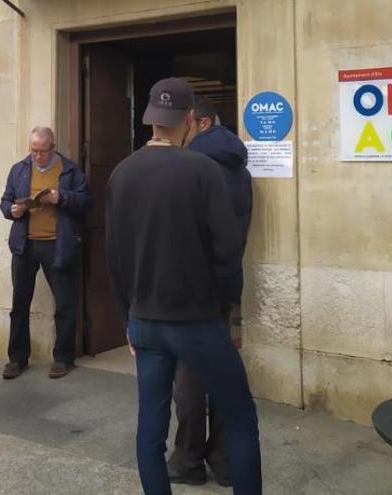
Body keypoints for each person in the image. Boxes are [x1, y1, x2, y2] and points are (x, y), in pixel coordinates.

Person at [105, 79, 262, 494]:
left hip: (144, 320)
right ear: (189, 119)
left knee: (150, 430)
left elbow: (114, 258)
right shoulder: (202, 170)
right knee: (241, 416)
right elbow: (227, 250)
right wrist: (223, 306)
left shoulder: (121, 173)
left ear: (150, 121)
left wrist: (128, 318)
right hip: (198, 319)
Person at [167, 97, 253, 487]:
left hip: (190, 285)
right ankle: (225, 460)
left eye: (180, 125)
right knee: (223, 368)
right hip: (225, 282)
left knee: (188, 375)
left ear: (198, 123)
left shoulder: (190, 167)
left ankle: (187, 459)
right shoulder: (238, 166)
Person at [0, 127, 92, 379]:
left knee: (64, 303)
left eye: (42, 151)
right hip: (24, 245)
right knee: (19, 304)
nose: (37, 156)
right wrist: (12, 211)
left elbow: (86, 201)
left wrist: (61, 197)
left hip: (57, 244)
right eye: (33, 150)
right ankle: (17, 359)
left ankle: (63, 358)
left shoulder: (69, 169)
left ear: (53, 147)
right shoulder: (19, 169)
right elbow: (5, 201)